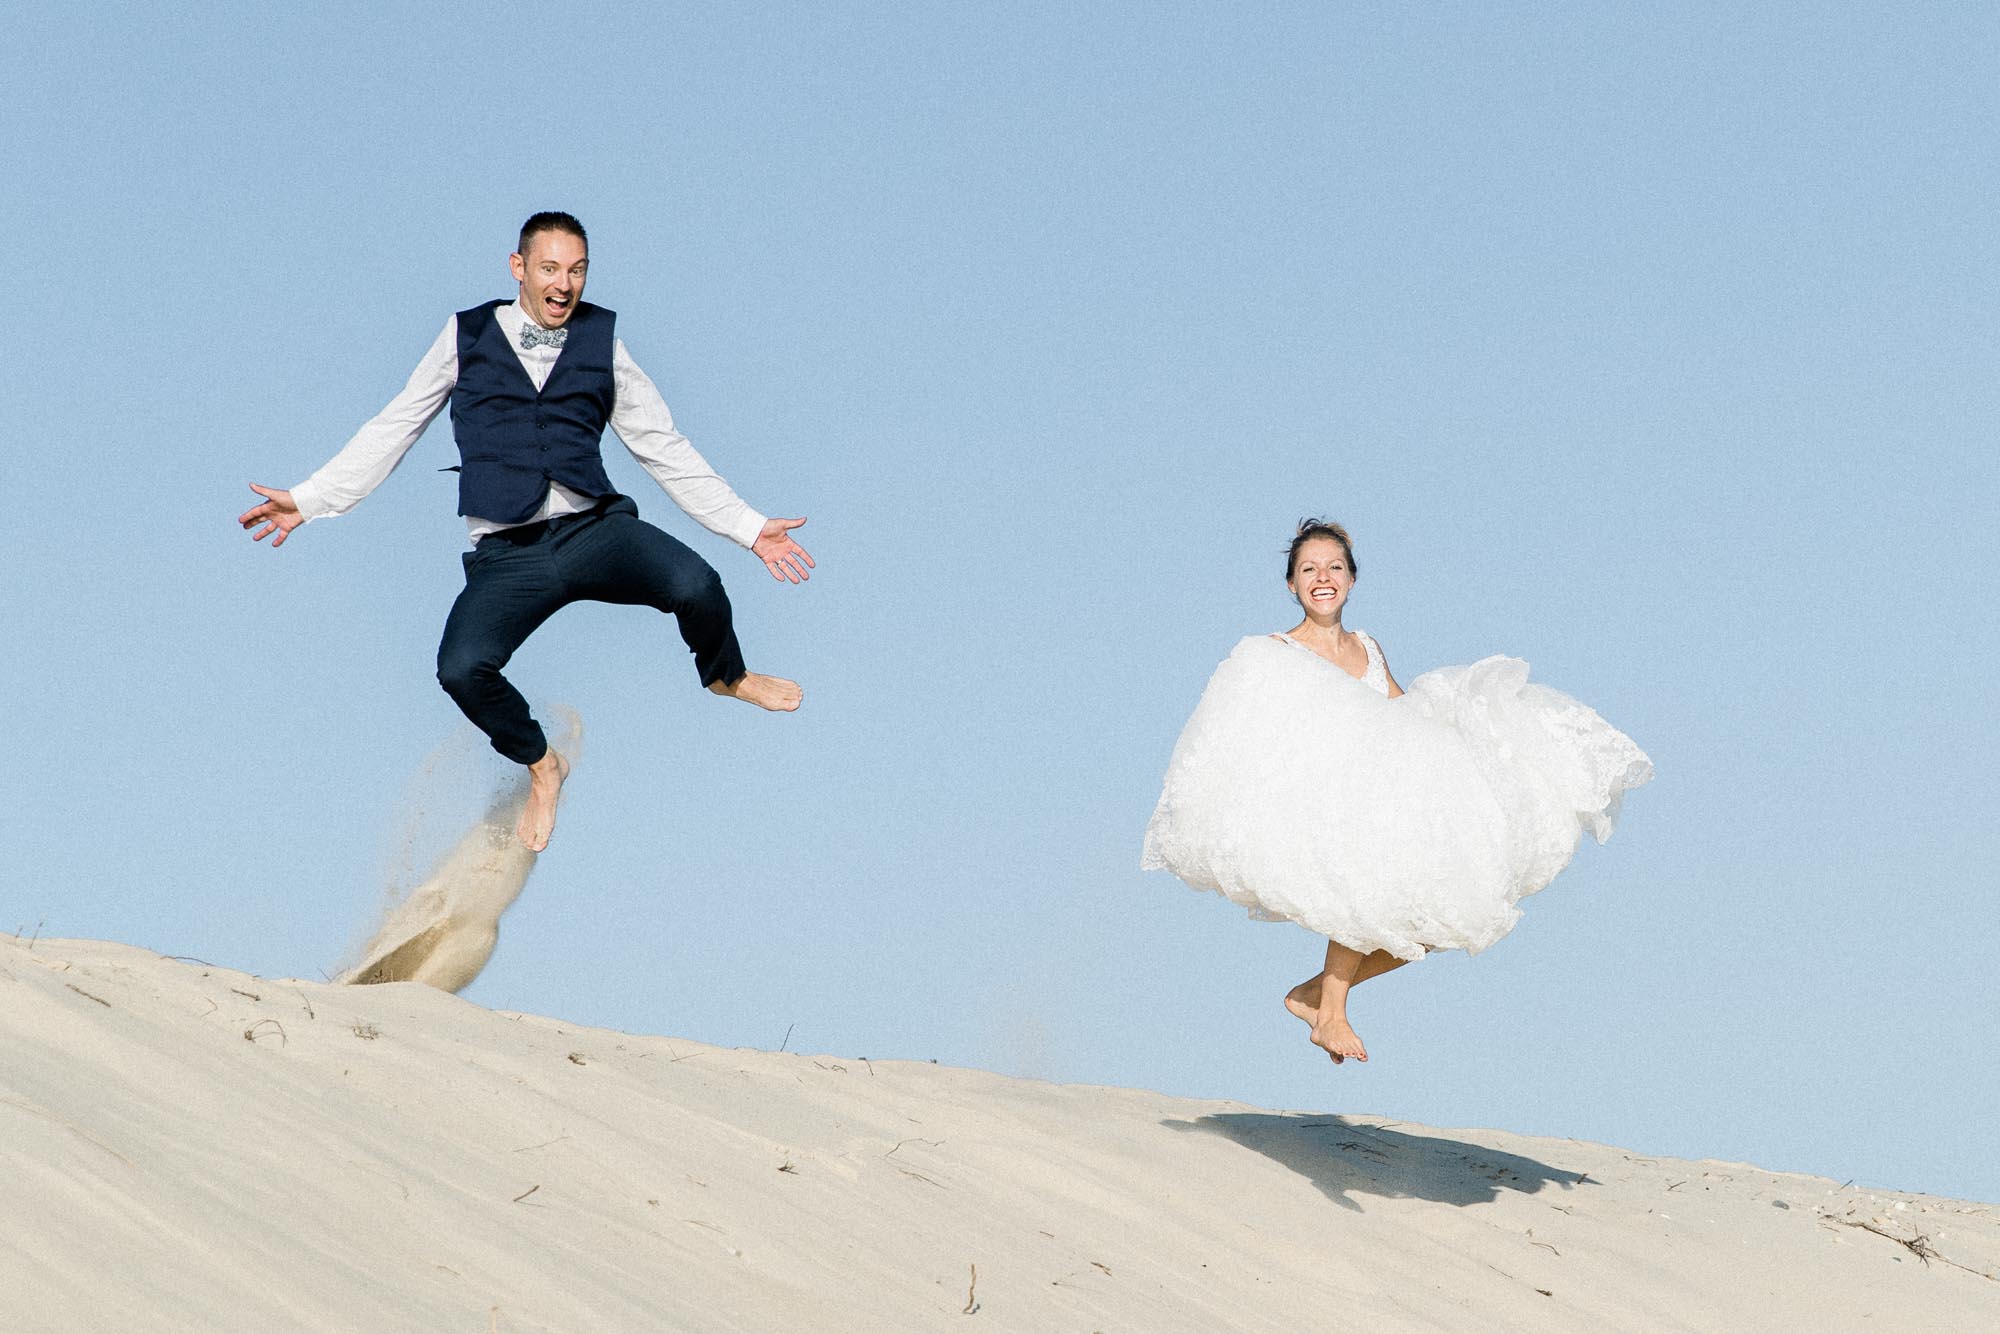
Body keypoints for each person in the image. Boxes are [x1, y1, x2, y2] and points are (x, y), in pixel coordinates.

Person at [240, 212, 812, 852]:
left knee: (698, 583)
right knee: (460, 668)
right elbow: (393, 427)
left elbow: (663, 449)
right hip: (508, 555)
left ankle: (726, 675)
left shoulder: (604, 341)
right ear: (519, 268)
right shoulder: (466, 336)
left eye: (577, 270)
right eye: (550, 269)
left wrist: (749, 528)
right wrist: (311, 500)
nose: (564, 284)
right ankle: (543, 764)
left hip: (594, 531)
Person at [1142, 519, 1652, 1064]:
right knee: (1373, 881)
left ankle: (1316, 993)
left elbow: (1399, 715)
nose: (1322, 577)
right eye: (1309, 569)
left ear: (1352, 581)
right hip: (1323, 804)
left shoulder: (1368, 647)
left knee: (1438, 917)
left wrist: (1465, 747)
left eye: (1334, 568)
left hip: (1378, 801)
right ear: (1291, 584)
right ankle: (1331, 1015)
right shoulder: (1274, 653)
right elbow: (1237, 732)